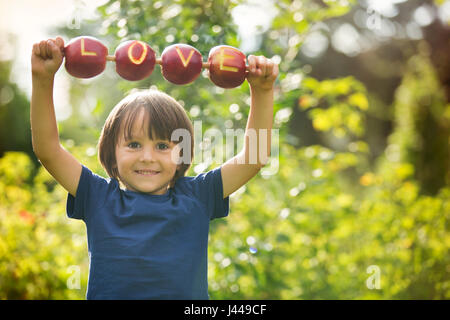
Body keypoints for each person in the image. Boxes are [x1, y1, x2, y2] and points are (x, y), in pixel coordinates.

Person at [30, 36, 279, 299]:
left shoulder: (197, 196)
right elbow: (47, 150)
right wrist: (42, 80)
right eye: (134, 144)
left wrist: (261, 92)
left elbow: (255, 156)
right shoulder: (98, 197)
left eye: (162, 146)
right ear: (111, 153)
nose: (148, 157)